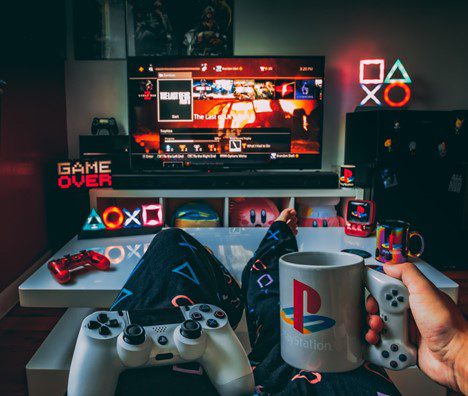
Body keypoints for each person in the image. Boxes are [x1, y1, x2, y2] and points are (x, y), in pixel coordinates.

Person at [111, 209, 468, 395]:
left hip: (164, 382)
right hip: (327, 375)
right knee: (287, 311)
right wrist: (453, 351)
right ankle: (275, 244)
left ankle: (272, 246)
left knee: (172, 241)